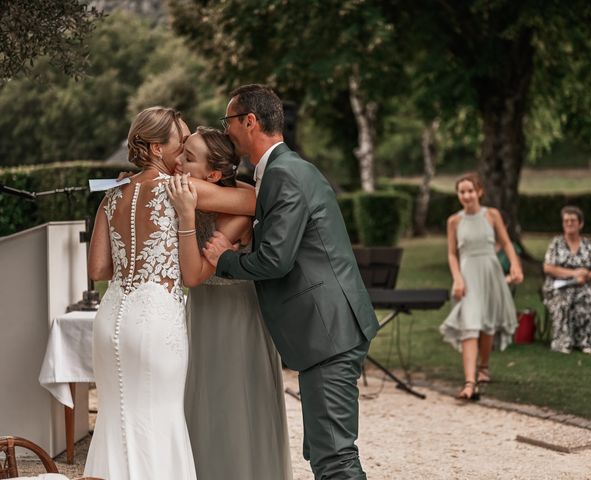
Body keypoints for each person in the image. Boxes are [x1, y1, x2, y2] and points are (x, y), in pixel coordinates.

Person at [202, 84, 379, 480]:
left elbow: (275, 260)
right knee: (322, 451)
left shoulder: (283, 173)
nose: (226, 130)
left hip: (329, 331)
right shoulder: (281, 171)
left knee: (335, 458)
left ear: (249, 121)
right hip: (327, 330)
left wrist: (223, 260)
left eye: (227, 121)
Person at [85, 107, 255, 479]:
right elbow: (254, 200)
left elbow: (98, 270)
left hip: (111, 314)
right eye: (181, 143)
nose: (184, 154)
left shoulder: (112, 193)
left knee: (116, 419)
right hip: (155, 321)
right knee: (160, 419)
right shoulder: (183, 189)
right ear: (158, 148)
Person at [166, 127, 293, 480]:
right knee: (200, 399)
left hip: (237, 312)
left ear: (214, 174)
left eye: (188, 157)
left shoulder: (239, 206)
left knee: (237, 401)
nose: (177, 163)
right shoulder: (186, 192)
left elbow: (194, 273)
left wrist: (186, 214)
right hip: (201, 312)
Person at [439, 172, 523, 401]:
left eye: (470, 190)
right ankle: (469, 383)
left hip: (490, 272)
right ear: (458, 195)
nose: (466, 195)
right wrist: (457, 278)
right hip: (467, 276)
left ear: (479, 192)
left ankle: (483, 366)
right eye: (462, 191)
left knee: (486, 326)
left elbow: (506, 243)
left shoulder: (492, 215)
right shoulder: (454, 221)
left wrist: (515, 266)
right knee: (470, 326)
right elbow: (452, 254)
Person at [542, 206, 591, 354]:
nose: (569, 224)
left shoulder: (588, 244)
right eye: (566, 221)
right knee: (563, 299)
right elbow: (548, 268)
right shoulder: (556, 243)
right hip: (557, 286)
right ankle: (562, 342)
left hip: (581, 285)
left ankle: (585, 342)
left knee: (586, 297)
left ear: (580, 224)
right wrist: (573, 273)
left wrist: (585, 276)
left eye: (573, 220)